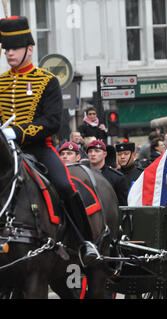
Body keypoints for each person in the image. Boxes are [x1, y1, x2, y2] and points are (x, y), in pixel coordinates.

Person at [0, 16, 99, 266]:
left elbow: (52, 122)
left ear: (29, 49)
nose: (8, 53)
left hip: (38, 149)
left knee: (64, 186)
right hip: (5, 151)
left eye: (14, 48)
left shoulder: (47, 80)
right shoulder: (0, 83)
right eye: (6, 48)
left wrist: (19, 133)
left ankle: (86, 242)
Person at [87, 140, 130, 206]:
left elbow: (123, 205)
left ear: (105, 154)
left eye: (97, 151)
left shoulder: (117, 177)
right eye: (90, 151)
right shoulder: (83, 174)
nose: (93, 154)